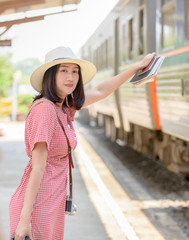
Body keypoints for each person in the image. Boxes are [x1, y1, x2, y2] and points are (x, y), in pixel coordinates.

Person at [9, 46, 156, 240]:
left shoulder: (63, 107)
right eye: (63, 71)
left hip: (53, 201)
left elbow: (101, 90)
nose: (70, 77)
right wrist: (24, 219)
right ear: (50, 76)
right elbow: (38, 167)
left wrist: (136, 67)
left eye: (74, 71)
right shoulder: (45, 110)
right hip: (38, 205)